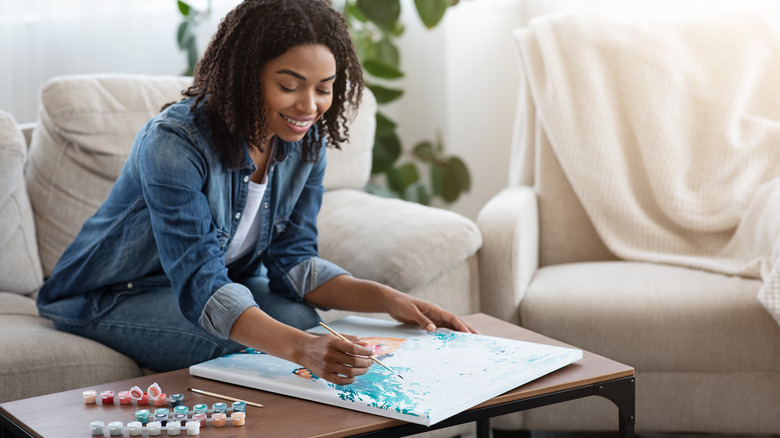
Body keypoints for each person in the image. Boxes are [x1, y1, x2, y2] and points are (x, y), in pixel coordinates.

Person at [36, 0, 475, 385]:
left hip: (223, 283)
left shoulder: (307, 142)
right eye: (289, 86)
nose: (308, 106)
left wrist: (390, 299)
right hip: (110, 294)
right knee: (273, 353)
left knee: (308, 327)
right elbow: (202, 286)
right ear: (247, 76)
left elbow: (295, 262)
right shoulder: (173, 143)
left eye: (324, 89)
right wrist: (299, 350)